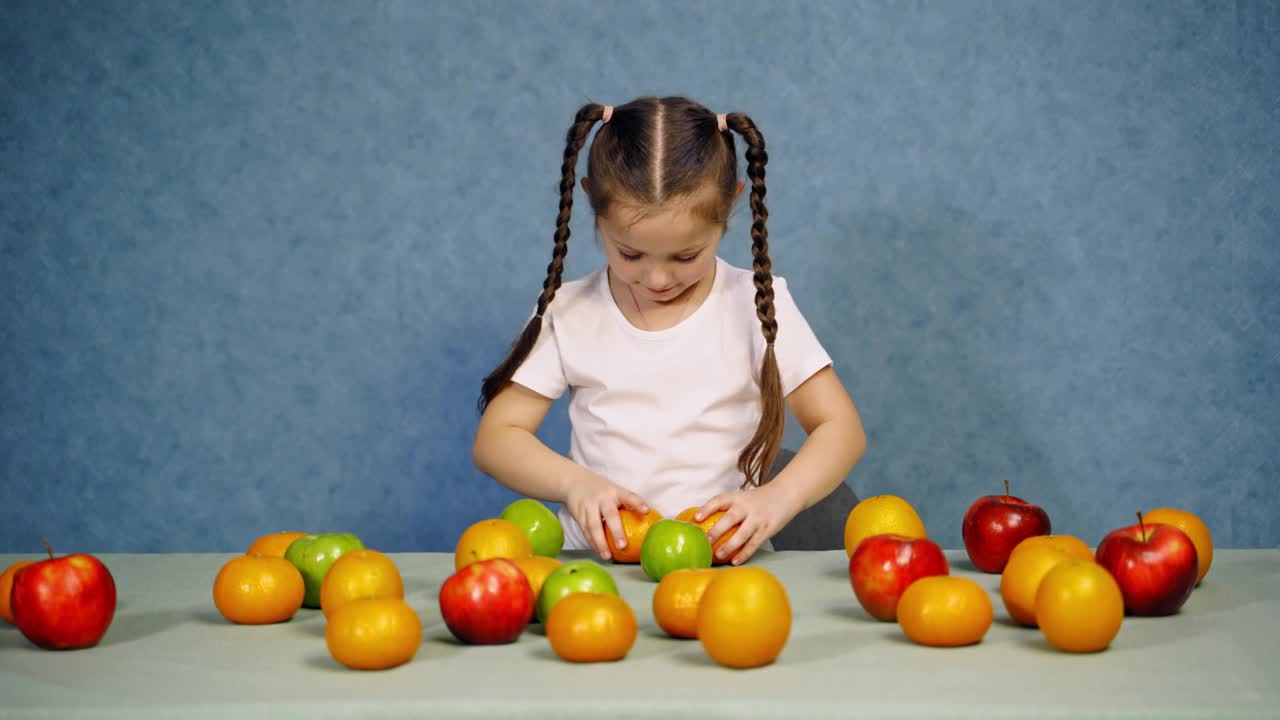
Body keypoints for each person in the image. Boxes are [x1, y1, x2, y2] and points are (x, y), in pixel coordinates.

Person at [472, 96, 866, 565]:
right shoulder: (570, 310)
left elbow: (841, 429)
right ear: (593, 204)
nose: (657, 280)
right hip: (594, 570)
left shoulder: (757, 304)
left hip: (724, 571)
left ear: (731, 205)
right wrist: (574, 483)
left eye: (685, 257)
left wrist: (776, 499)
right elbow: (497, 436)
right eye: (630, 254)